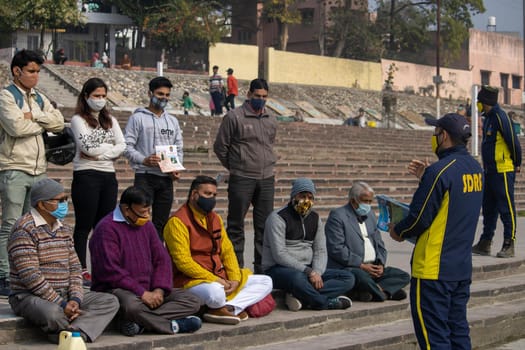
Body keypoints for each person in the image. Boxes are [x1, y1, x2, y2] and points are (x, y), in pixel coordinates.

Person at [389, 113, 483, 350]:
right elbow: (450, 204)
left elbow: (418, 219)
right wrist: (427, 178)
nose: (433, 136)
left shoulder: (439, 172)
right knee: (458, 332)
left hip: (434, 270)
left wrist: (398, 230)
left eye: (436, 132)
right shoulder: (475, 168)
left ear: (444, 136)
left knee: (434, 339)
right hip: (460, 268)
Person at [8, 178, 119, 343]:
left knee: (110, 301)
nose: (64, 204)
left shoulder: (64, 228)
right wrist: (61, 303)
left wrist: (74, 299)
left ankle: (71, 332)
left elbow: (75, 267)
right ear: (41, 204)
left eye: (65, 199)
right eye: (59, 200)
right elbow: (31, 276)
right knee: (52, 313)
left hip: (65, 294)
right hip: (30, 296)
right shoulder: (24, 229)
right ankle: (72, 330)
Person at [89, 186, 203, 336]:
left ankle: (138, 323)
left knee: (193, 300)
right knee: (132, 307)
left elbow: (162, 259)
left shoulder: (146, 225)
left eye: (149, 211)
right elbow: (111, 270)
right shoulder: (106, 229)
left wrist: (159, 290)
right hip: (119, 289)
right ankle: (171, 326)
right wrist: (142, 293)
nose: (148, 216)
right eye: (143, 212)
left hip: (150, 288)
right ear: (126, 209)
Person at [164, 176, 273, 325]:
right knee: (215, 292)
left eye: (214, 195)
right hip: (190, 281)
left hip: (219, 276)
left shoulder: (215, 218)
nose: (212, 198)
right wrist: (215, 280)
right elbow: (183, 262)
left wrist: (234, 278)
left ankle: (229, 308)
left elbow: (227, 251)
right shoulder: (177, 222)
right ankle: (221, 306)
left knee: (265, 281)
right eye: (207, 194)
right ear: (194, 195)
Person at [0, 49, 65, 296]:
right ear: (17, 71)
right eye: (31, 71)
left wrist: (34, 115)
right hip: (14, 166)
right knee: (11, 224)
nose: (36, 76)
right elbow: (15, 127)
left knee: (34, 226)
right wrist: (42, 123)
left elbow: (59, 123)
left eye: (38, 71)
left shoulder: (38, 98)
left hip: (39, 169)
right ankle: (4, 274)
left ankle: (25, 273)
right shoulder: (6, 96)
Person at [214, 78, 278, 273]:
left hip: (266, 178)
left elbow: (270, 143)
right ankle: (236, 269)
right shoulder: (234, 117)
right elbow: (220, 147)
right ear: (249, 95)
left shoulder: (271, 118)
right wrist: (236, 166)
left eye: (264, 97)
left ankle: (261, 270)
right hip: (242, 177)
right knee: (236, 225)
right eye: (257, 96)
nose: (261, 100)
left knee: (264, 227)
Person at [262, 178, 355, 311]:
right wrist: (309, 272)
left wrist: (317, 271)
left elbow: (320, 250)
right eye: (302, 196)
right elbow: (279, 255)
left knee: (348, 277)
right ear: (294, 196)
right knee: (297, 278)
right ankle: (324, 303)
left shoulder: (315, 219)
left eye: (310, 197)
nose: (306, 200)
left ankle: (300, 295)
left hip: (309, 269)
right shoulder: (277, 218)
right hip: (279, 269)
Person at [70, 78, 126, 287]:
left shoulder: (110, 119)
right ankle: (81, 269)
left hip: (108, 176)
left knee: (103, 226)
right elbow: (87, 149)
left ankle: (102, 267)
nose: (100, 100)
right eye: (96, 96)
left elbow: (122, 144)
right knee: (84, 225)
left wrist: (102, 154)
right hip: (86, 175)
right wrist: (107, 149)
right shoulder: (78, 120)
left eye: (103, 96)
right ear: (86, 96)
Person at [325, 181, 410, 302]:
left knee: (403, 276)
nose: (368, 205)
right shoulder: (338, 216)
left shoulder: (370, 215)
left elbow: (379, 243)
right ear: (353, 201)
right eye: (365, 201)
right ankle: (383, 294)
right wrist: (361, 265)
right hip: (352, 267)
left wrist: (380, 264)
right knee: (359, 277)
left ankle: (373, 290)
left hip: (373, 267)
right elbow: (336, 248)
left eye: (370, 201)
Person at [124, 76, 183, 239]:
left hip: (166, 179)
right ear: (150, 93)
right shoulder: (137, 118)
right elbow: (127, 146)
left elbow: (178, 148)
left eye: (167, 95)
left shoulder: (173, 121)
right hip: (145, 177)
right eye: (160, 94)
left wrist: (176, 167)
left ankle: (157, 260)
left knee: (161, 225)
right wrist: (144, 159)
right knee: (141, 221)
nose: (164, 97)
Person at [472, 86, 521, 258]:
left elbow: (513, 142)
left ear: (485, 102)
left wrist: (517, 162)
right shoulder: (489, 118)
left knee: (506, 208)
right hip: (490, 171)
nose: (477, 104)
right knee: (489, 208)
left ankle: (509, 243)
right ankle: (486, 242)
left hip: (503, 170)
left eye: (479, 101)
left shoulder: (501, 117)